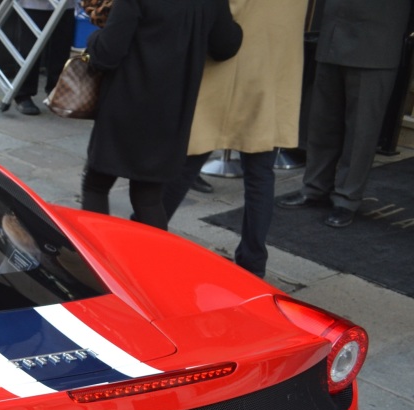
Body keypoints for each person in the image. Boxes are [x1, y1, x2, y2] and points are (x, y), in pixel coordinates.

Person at [163, 0, 307, 278]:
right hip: (270, 77)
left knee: (188, 162)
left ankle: (145, 234)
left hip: (228, 68)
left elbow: (221, 15)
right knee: (260, 173)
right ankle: (253, 261)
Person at [79, 0, 242, 230]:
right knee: (148, 197)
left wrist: (93, 40)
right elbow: (225, 45)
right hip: (172, 111)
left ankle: (96, 258)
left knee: (96, 185)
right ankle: (153, 263)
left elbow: (108, 52)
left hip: (125, 105)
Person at [276, 0, 411, 228]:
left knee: (361, 130)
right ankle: (315, 187)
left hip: (377, 38)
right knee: (322, 121)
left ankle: (347, 199)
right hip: (334, 32)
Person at [11, 1, 78, 115]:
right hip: (34, 5)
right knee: (30, 48)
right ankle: (23, 95)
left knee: (61, 48)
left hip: (65, 5)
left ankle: (56, 92)